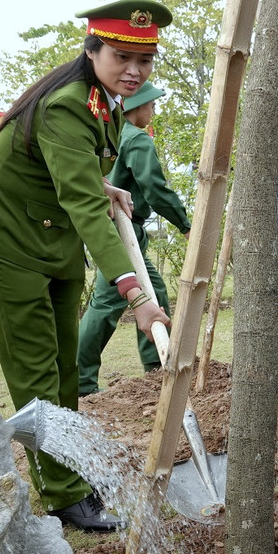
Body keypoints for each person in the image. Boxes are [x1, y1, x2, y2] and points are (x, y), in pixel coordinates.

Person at [0, 0, 173, 532]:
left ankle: (71, 466)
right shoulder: (65, 104)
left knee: (66, 367)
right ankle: (61, 494)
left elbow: (70, 174)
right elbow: (81, 206)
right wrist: (140, 300)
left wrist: (102, 184)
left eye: (145, 61)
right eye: (122, 56)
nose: (135, 71)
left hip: (52, 236)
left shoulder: (105, 103)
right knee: (35, 370)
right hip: (7, 238)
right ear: (92, 50)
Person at [75, 82, 190, 396]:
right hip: (121, 234)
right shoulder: (136, 139)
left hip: (123, 231)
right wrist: (184, 223)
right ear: (135, 106)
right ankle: (81, 381)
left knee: (156, 292)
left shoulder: (117, 136)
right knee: (107, 305)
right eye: (151, 105)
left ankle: (156, 366)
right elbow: (154, 188)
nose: (153, 110)